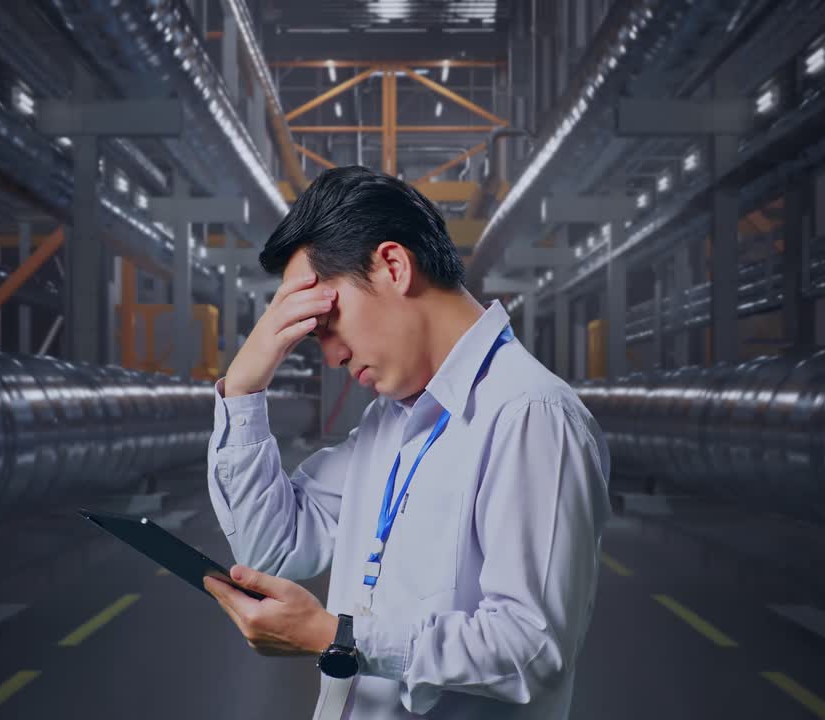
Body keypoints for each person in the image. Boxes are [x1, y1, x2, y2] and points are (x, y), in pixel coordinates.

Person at [202, 166, 612, 719]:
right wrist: (245, 391)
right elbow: (274, 548)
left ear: (393, 265)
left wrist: (337, 637)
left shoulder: (530, 415)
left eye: (328, 321)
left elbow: (530, 649)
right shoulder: (389, 423)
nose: (331, 356)